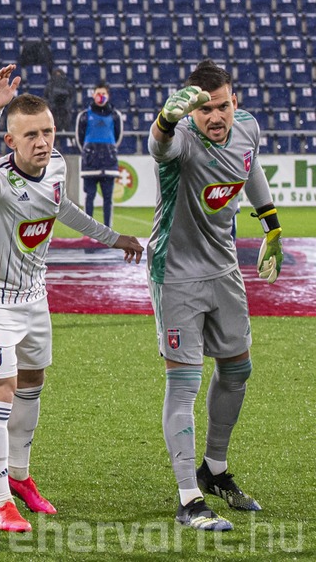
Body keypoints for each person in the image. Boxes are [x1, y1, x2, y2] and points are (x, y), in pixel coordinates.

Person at [0, 65, 145, 533]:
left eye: (48, 132)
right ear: (10, 141)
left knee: (33, 379)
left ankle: (20, 476)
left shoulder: (58, 165)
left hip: (34, 293)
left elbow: (62, 207)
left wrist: (113, 238)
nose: (42, 142)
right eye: (31, 135)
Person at [148, 61, 284, 531]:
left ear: (234, 101)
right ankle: (189, 499)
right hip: (176, 273)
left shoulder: (248, 127)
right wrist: (166, 120)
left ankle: (215, 469)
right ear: (191, 111)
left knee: (238, 368)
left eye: (222, 105)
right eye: (204, 109)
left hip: (223, 268)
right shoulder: (182, 137)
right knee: (184, 383)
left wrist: (271, 223)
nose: (216, 116)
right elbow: (158, 146)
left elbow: (251, 164)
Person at [76, 84, 124, 227]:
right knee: (89, 196)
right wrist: (90, 152)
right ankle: (88, 229)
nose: (100, 96)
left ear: (107, 95)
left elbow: (118, 137)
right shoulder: (84, 115)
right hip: (90, 164)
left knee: (108, 198)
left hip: (109, 163)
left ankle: (107, 230)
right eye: (98, 93)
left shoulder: (115, 115)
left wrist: (107, 150)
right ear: (93, 95)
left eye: (103, 93)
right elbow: (80, 138)